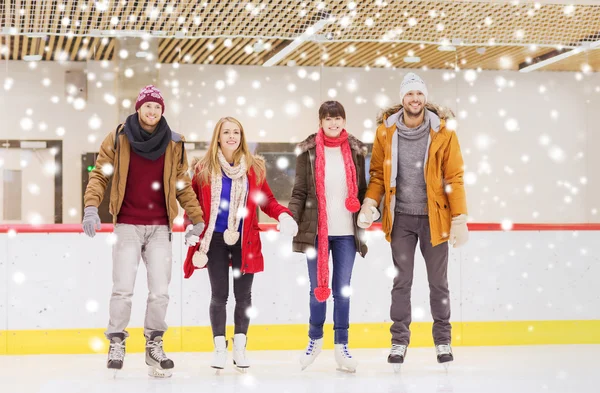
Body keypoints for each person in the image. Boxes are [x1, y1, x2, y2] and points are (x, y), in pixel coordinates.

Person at [82, 85, 205, 378]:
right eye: (148, 105)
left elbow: (182, 184)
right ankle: (116, 341)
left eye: (158, 107)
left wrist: (195, 217)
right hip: (127, 224)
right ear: (139, 107)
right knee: (123, 288)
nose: (152, 111)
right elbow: (100, 173)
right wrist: (90, 206)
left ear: (163, 111)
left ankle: (154, 343)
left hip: (161, 226)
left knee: (160, 291)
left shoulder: (174, 142)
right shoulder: (119, 137)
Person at [358, 73, 469, 367]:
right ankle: (399, 341)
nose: (415, 99)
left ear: (425, 98)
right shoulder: (386, 133)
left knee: (438, 284)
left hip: (435, 219)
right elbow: (379, 175)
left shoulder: (444, 134)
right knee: (401, 282)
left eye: (419, 94)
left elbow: (454, 178)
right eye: (410, 94)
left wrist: (459, 218)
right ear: (402, 99)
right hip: (402, 218)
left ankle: (443, 340)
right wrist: (370, 202)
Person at [182, 116, 298, 371]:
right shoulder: (203, 168)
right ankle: (219, 348)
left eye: (236, 132)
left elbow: (266, 199)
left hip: (244, 240)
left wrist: (282, 214)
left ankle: (240, 347)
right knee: (219, 296)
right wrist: (190, 226)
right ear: (218, 137)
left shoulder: (253, 168)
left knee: (244, 296)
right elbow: (193, 204)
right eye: (226, 132)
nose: (232, 136)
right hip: (214, 242)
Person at [288, 101, 370, 373]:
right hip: (316, 233)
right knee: (317, 291)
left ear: (344, 121)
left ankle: (342, 346)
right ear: (320, 122)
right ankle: (314, 340)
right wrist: (290, 216)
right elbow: (299, 192)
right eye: (328, 119)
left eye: (338, 118)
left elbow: (363, 190)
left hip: (347, 233)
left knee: (342, 291)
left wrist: (370, 210)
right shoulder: (308, 152)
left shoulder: (357, 152)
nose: (333, 123)